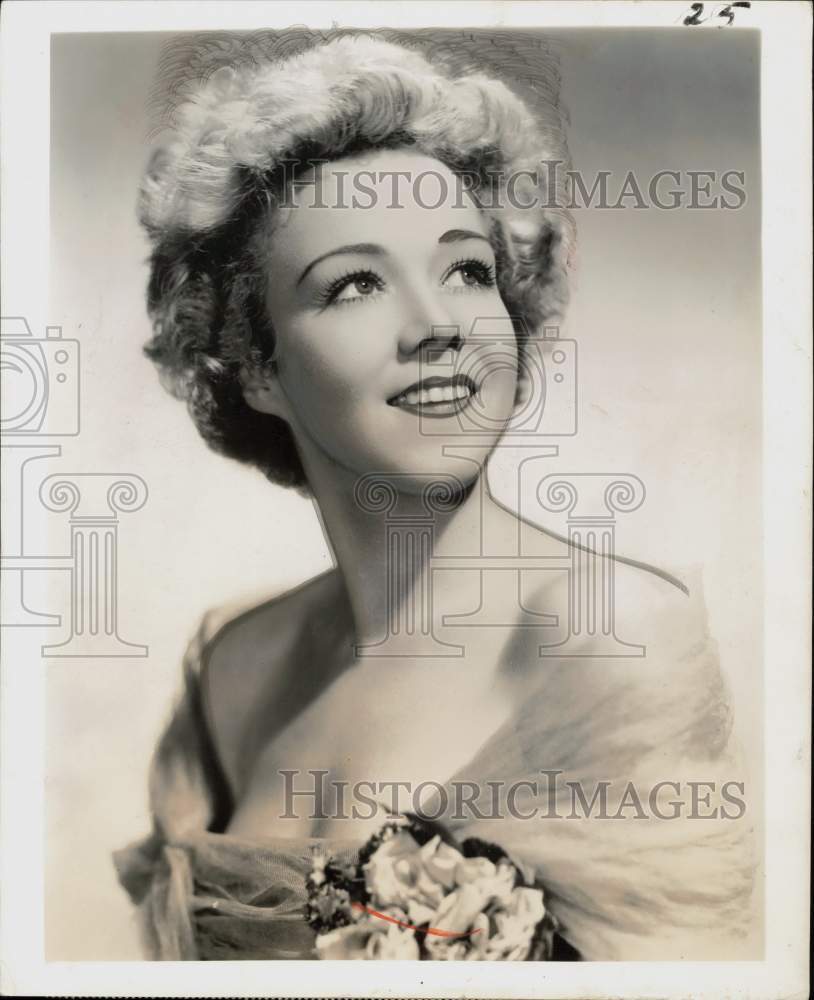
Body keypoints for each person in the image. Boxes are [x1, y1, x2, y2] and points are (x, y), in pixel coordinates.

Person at [114, 30, 755, 961]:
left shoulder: (612, 637)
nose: (439, 326)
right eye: (356, 283)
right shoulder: (232, 666)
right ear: (252, 363)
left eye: (467, 269)